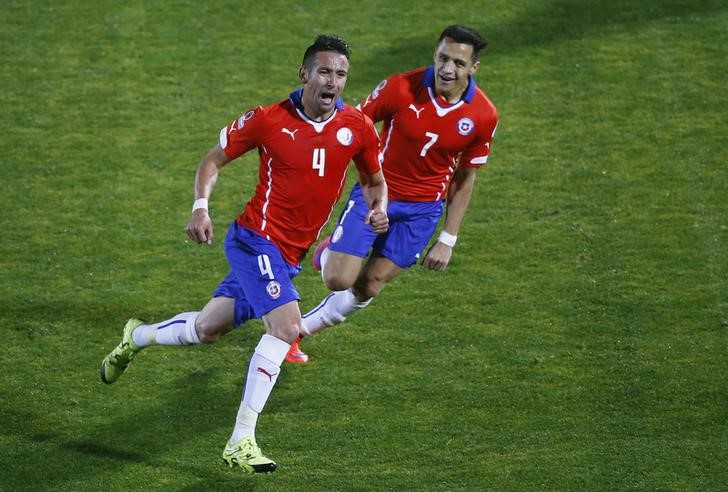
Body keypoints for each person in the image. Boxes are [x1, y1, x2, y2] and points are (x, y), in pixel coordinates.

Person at [99, 34, 388, 474]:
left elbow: (372, 178)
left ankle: (135, 337)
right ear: (305, 73)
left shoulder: (358, 127)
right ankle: (241, 440)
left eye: (341, 74)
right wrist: (200, 208)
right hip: (256, 240)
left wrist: (378, 208)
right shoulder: (268, 120)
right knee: (288, 326)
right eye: (325, 72)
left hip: (289, 255)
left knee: (206, 329)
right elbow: (212, 161)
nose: (333, 81)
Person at [286, 25, 497, 362]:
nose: (447, 69)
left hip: (423, 210)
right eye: (443, 58)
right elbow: (354, 123)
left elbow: (464, 177)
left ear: (473, 68)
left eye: (458, 63)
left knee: (368, 285)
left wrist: (448, 239)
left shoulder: (483, 115)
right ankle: (330, 251)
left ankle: (295, 334)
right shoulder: (400, 88)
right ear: (435, 54)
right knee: (338, 279)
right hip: (378, 195)